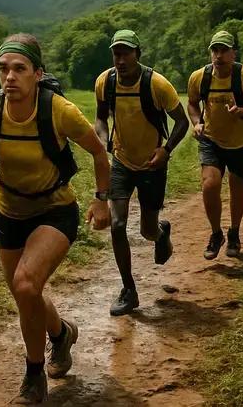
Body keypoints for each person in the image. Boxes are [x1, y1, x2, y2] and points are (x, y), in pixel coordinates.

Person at [0, 34, 111, 404]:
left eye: (19, 69)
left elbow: (99, 154)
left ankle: (34, 375)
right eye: (3, 69)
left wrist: (101, 200)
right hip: (9, 212)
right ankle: (61, 334)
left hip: (55, 210)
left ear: (37, 74)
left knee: (25, 285)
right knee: (26, 294)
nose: (10, 77)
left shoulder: (59, 110)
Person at [94, 29, 189, 315]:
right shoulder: (105, 82)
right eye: (116, 53)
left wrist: (166, 151)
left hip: (151, 163)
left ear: (138, 54)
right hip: (121, 161)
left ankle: (161, 233)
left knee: (147, 230)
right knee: (118, 224)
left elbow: (182, 122)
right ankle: (129, 290)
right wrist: (100, 141)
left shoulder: (157, 84)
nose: (120, 59)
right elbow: (101, 118)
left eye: (126, 53)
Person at [186, 30, 243, 260]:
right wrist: (196, 123)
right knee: (210, 185)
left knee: (236, 184)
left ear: (233, 53)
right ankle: (216, 234)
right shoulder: (199, 77)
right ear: (210, 53)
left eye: (224, 50)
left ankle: (234, 232)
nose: (219, 55)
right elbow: (193, 104)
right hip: (210, 139)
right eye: (215, 50)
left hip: (239, 141)